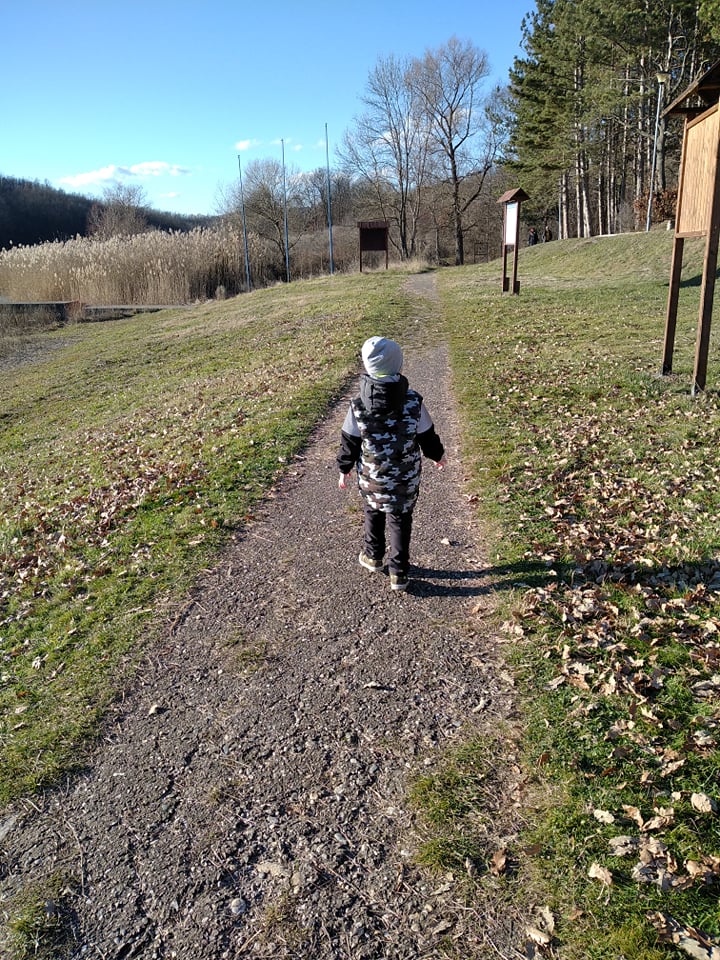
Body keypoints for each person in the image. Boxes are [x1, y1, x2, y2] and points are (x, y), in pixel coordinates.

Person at [337, 336, 446, 592]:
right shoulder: (413, 401)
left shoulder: (357, 405)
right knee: (400, 519)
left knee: (373, 511)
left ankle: (373, 556)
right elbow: (427, 435)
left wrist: (344, 468)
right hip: (405, 479)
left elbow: (349, 441)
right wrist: (437, 455)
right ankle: (399, 572)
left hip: (372, 478)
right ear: (399, 365)